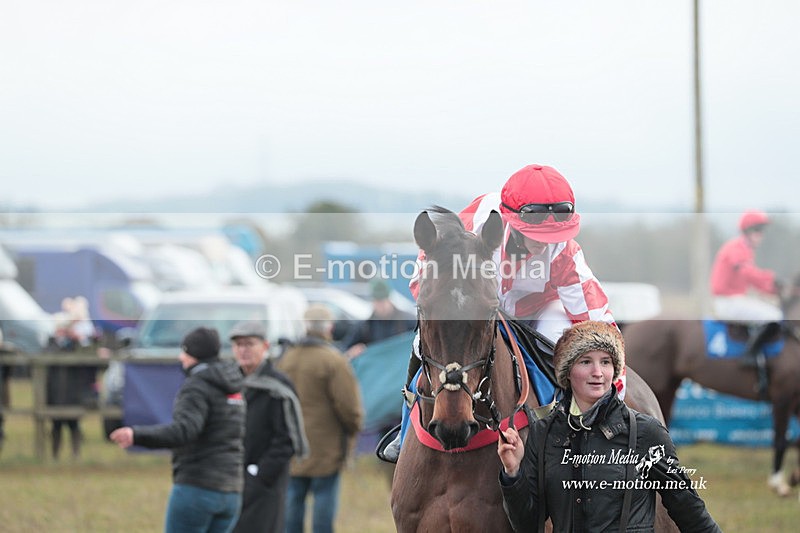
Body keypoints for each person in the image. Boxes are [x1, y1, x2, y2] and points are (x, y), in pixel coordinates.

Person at [381, 163, 618, 463]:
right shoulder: (473, 222)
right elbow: (423, 281)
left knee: (560, 342)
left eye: (553, 235)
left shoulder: (566, 253)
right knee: (422, 342)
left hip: (536, 311)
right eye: (536, 233)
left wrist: (614, 400)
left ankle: (560, 439)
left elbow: (599, 329)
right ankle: (404, 434)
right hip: (477, 305)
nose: (545, 243)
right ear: (510, 219)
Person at [497, 321, 721, 532]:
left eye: (605, 362)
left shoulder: (646, 432)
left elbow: (687, 507)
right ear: (567, 371)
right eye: (586, 361)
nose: (598, 372)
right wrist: (513, 472)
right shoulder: (543, 433)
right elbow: (527, 525)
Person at [110, 327, 245, 533]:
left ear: (194, 354)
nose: (181, 357)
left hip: (198, 486)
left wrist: (136, 435)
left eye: (184, 351)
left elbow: (184, 431)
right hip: (231, 491)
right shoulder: (234, 386)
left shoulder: (196, 386)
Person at [276, 304, 364, 533]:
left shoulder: (286, 358)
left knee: (293, 499)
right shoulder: (333, 360)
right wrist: (354, 427)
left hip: (291, 443)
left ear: (305, 326)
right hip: (327, 447)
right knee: (324, 500)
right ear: (329, 327)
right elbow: (349, 407)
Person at [229, 321, 308, 533]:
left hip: (264, 483)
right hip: (229, 477)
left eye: (249, 344)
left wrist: (260, 474)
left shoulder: (277, 386)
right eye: (238, 345)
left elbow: (287, 438)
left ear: (264, 347)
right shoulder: (228, 381)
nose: (243, 350)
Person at [710, 209, 783, 365]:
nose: (761, 235)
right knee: (774, 316)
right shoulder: (736, 248)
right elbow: (748, 274)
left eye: (762, 231)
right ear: (747, 231)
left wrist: (775, 290)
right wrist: (771, 278)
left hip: (735, 300)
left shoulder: (745, 250)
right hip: (728, 302)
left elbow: (754, 282)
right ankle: (749, 355)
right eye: (758, 230)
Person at [342, 279, 417, 360]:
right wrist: (351, 352)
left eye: (383, 300)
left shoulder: (408, 321)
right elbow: (343, 350)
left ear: (389, 298)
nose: (381, 306)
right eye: (377, 301)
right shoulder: (365, 327)